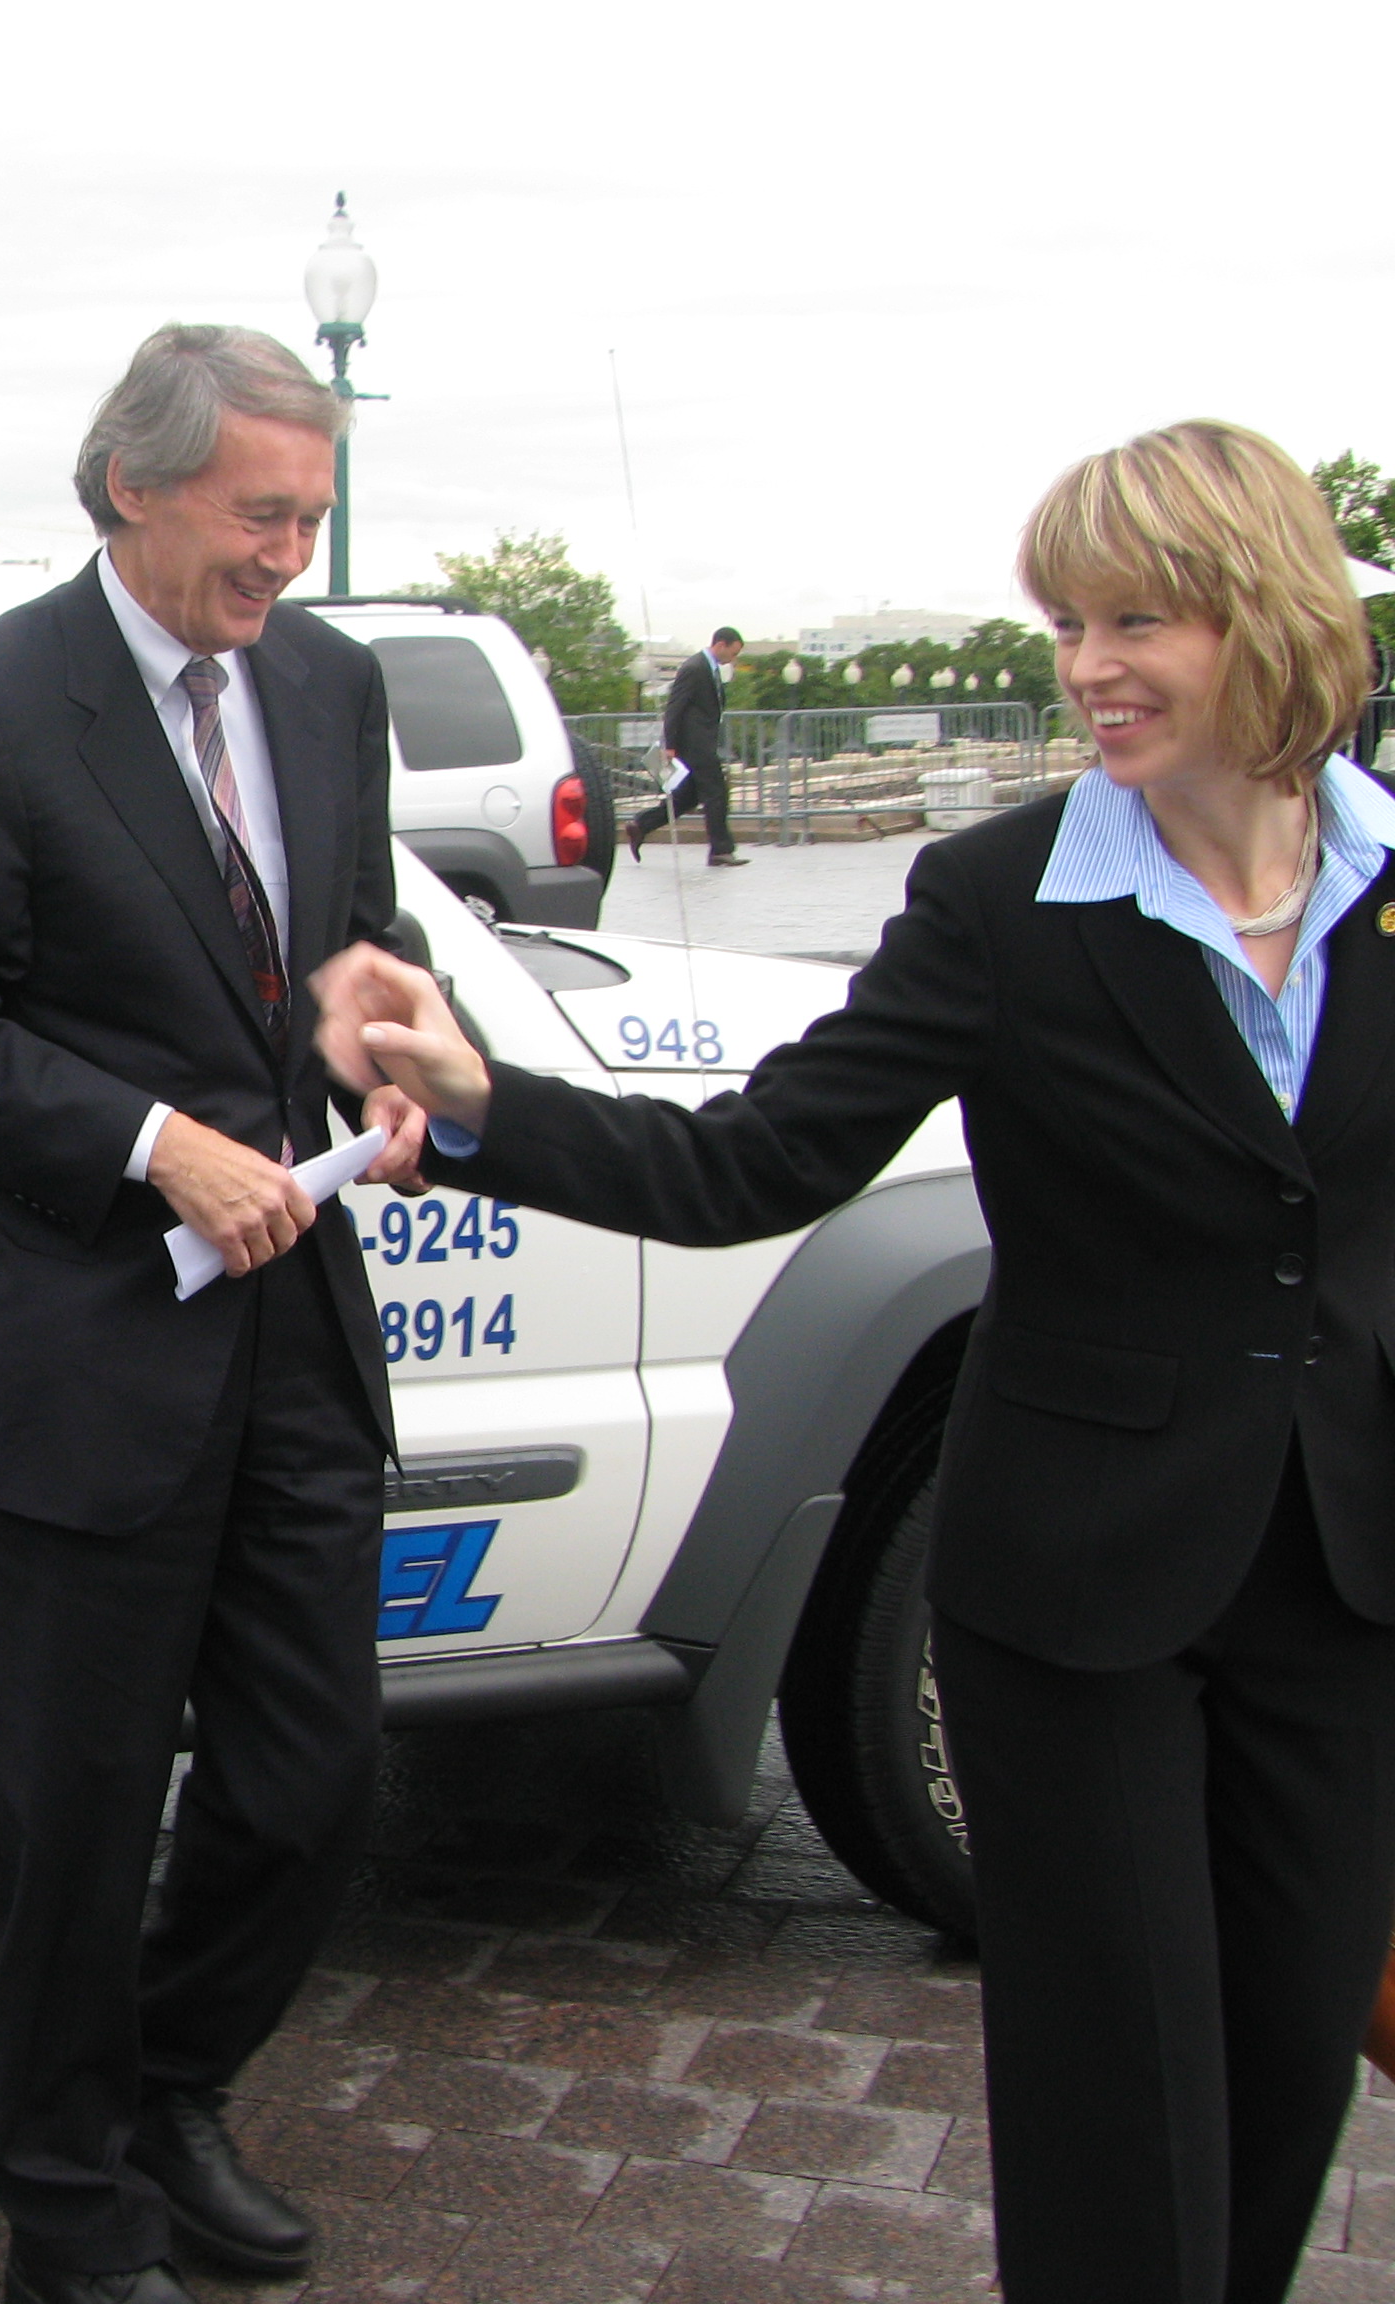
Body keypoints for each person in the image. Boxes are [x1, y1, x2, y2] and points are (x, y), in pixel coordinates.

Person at [312, 420, 1395, 2304]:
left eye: (1135, 621)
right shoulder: (1000, 901)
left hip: (1342, 1570)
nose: (1086, 666)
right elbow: (753, 1163)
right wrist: (479, 1102)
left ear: (1266, 614)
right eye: (1065, 623)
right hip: (1081, 1590)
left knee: (1293, 2060)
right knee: (1122, 2098)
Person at [0, 323, 427, 2304]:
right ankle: (66, 2200)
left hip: (295, 1339)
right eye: (259, 513)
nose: (288, 555)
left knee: (311, 1777)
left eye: (310, 516)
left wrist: (383, 1045)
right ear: (133, 486)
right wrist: (153, 1142)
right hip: (82, 1355)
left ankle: (170, 2087)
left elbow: (350, 937)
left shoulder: (329, 686)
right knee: (78, 1818)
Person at [628, 626, 745, 863]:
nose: (733, 659)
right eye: (733, 653)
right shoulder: (695, 668)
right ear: (720, 645)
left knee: (688, 797)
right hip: (695, 744)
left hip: (700, 742)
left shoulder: (708, 668)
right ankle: (720, 850)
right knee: (716, 793)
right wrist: (670, 744)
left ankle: (641, 825)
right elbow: (675, 706)